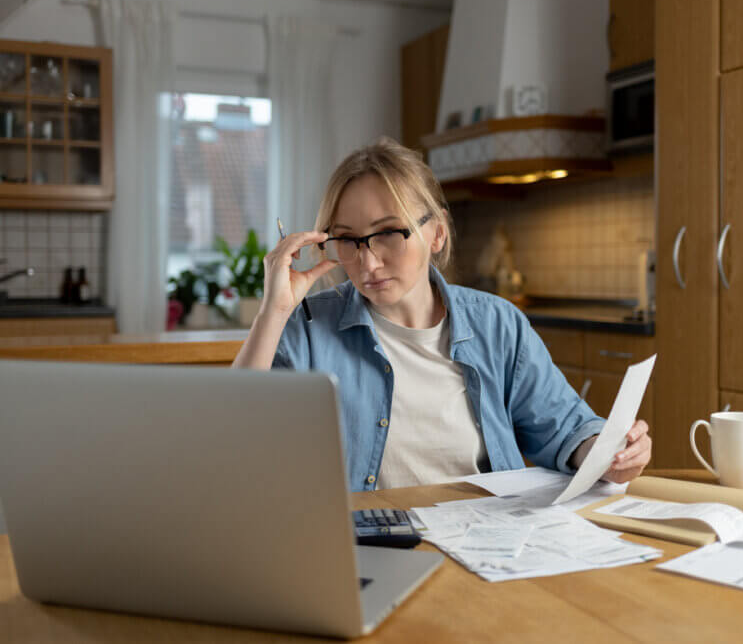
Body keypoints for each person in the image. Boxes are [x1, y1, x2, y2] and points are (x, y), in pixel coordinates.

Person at [233, 137, 652, 492]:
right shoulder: (308, 327)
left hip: (490, 540)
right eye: (347, 240)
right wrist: (274, 311)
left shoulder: (498, 324)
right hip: (370, 548)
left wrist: (609, 452)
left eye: (387, 234)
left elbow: (565, 429)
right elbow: (235, 438)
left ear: (437, 233)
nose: (369, 262)